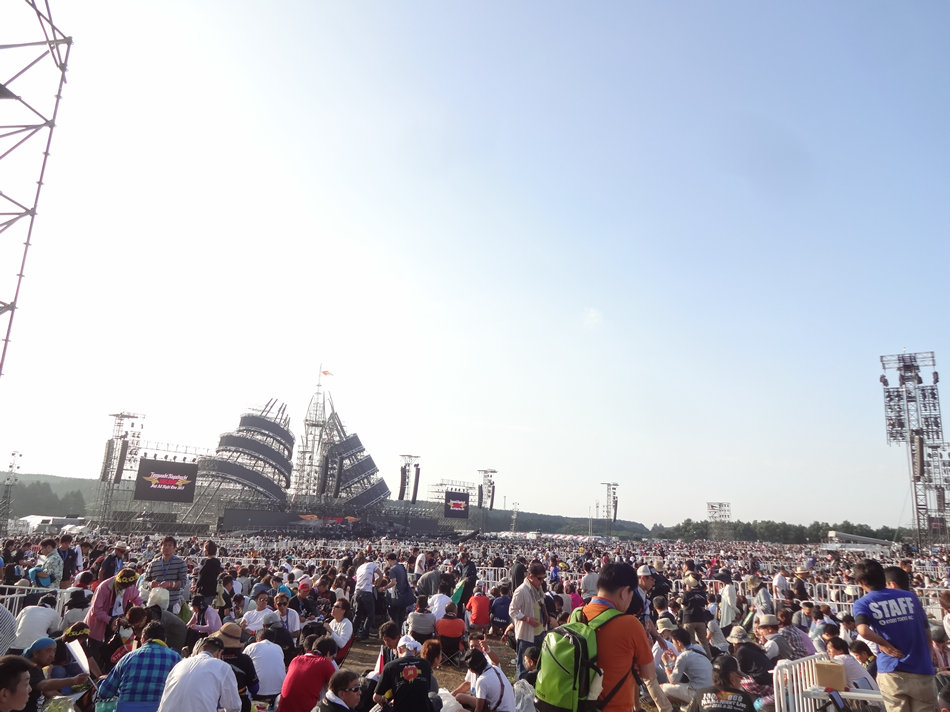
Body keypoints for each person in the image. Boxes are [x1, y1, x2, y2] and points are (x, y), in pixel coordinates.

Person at [581, 562, 669, 712]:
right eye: (631, 594)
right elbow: (648, 673)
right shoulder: (630, 624)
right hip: (614, 705)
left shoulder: (577, 615)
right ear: (624, 592)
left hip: (579, 702)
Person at [852, 558, 935, 712]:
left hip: (892, 670)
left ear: (862, 581)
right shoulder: (910, 597)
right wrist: (929, 656)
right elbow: (926, 629)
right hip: (921, 667)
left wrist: (883, 643)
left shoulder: (863, 603)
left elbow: (863, 630)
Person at [97, 621, 182, 712]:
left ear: (143, 639)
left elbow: (104, 693)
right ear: (164, 640)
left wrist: (103, 681)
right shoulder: (175, 658)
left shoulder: (127, 658)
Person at [157, 636, 241, 712]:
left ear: (197, 651)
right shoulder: (223, 667)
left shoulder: (180, 664)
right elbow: (234, 707)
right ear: (219, 653)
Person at [85, 568, 143, 664]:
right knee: (96, 654)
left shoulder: (129, 585)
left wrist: (143, 608)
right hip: (98, 624)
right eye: (123, 587)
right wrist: (111, 620)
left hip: (116, 624)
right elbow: (96, 610)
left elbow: (136, 597)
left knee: (111, 654)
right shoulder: (104, 587)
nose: (126, 588)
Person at [22, 637, 88, 712]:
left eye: (54, 651)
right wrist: (73, 680)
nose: (52, 655)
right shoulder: (27, 669)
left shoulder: (38, 668)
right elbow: (44, 685)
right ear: (36, 653)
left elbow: (50, 692)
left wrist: (73, 707)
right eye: (48, 651)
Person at [374, 635, 438, 711]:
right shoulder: (425, 664)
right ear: (415, 650)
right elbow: (424, 689)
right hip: (423, 709)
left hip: (400, 709)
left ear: (399, 650)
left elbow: (376, 697)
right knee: (436, 698)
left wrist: (384, 700)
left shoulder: (390, 666)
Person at [277, 636, 338, 712]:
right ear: (328, 653)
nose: (332, 660)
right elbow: (340, 687)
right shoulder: (325, 663)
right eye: (333, 657)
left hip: (282, 708)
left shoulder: (296, 659)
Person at [509, 561, 546, 680]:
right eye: (539, 579)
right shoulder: (521, 590)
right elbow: (512, 611)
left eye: (543, 578)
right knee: (523, 667)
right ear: (531, 576)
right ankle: (520, 689)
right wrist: (527, 619)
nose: (542, 581)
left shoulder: (538, 589)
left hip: (540, 632)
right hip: (526, 635)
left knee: (539, 664)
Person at [212, 622, 259, 712]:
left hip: (216, 704)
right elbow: (254, 689)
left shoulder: (214, 659)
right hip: (241, 704)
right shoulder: (245, 659)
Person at [661, 628, 714, 705]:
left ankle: (688, 706)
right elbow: (693, 664)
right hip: (712, 690)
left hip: (699, 693)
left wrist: (666, 664)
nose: (673, 645)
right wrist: (676, 659)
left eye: (673, 642)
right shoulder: (698, 647)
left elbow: (673, 681)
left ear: (678, 642)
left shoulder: (683, 656)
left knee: (661, 688)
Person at [686, 654, 756, 712]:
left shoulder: (701, 694)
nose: (741, 680)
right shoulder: (745, 698)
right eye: (740, 677)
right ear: (732, 678)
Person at [462, 648, 515, 712]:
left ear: (471, 670)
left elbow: (479, 709)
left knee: (459, 710)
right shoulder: (496, 669)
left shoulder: (482, 681)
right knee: (460, 697)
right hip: (511, 709)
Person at [145, 537, 188, 614]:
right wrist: (150, 584)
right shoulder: (153, 564)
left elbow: (183, 583)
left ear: (174, 548)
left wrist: (170, 584)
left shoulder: (181, 563)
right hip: (154, 602)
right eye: (164, 545)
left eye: (170, 545)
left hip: (171, 602)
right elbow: (144, 582)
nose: (167, 547)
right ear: (160, 547)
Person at [244, 628, 286, 707]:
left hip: (257, 693)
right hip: (279, 692)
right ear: (273, 640)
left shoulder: (251, 647)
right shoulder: (278, 648)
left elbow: (242, 665)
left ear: (258, 639)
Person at [353, 556, 381, 641]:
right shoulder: (372, 564)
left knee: (358, 614)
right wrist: (378, 584)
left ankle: (353, 633)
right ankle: (364, 635)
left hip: (357, 592)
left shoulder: (359, 568)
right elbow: (381, 575)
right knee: (370, 615)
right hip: (367, 592)